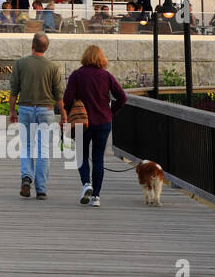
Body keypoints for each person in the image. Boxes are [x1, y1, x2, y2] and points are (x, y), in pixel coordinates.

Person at [63, 44, 128, 207]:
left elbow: (67, 98)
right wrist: (111, 112)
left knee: (82, 156)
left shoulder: (77, 75)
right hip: (103, 122)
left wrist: (71, 110)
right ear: (101, 58)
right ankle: (96, 197)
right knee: (98, 158)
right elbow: (122, 97)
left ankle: (86, 184)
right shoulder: (106, 76)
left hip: (81, 122)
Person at [8, 33, 65, 200]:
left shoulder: (20, 64)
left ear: (32, 45)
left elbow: (14, 91)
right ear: (46, 48)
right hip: (45, 110)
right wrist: (64, 114)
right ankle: (41, 189)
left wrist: (12, 111)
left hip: (25, 108)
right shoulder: (52, 67)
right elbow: (59, 95)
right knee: (43, 149)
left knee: (26, 146)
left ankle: (26, 178)